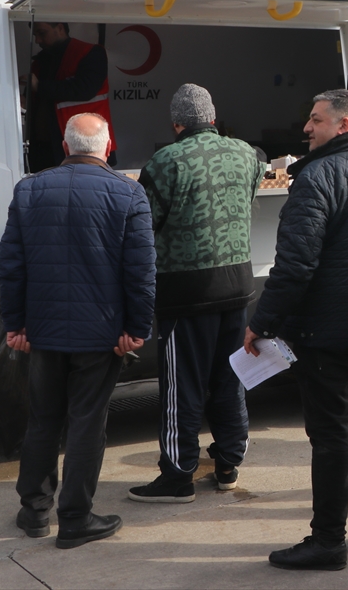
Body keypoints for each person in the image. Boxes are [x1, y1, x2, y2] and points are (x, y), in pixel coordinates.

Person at [245, 89, 348, 571]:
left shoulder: (316, 177)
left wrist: (260, 323)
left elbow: (294, 266)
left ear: (344, 125)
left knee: (331, 435)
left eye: (315, 120)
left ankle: (328, 541)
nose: (306, 129)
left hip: (325, 333)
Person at [0, 113, 155, 549]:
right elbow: (141, 273)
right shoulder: (129, 194)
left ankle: (34, 511)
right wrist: (136, 328)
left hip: (43, 332)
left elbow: (10, 265)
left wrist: (16, 324)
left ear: (66, 148)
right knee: (88, 423)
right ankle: (75, 518)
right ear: (108, 147)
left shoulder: (28, 190)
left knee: (44, 418)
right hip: (101, 334)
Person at [128, 84, 267, 503]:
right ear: (212, 117)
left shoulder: (164, 160)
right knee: (229, 380)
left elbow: (145, 221)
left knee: (181, 386)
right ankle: (228, 464)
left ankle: (177, 475)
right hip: (239, 287)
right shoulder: (247, 154)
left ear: (176, 123)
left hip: (186, 292)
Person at [25, 22, 117, 171]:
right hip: (45, 148)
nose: (37, 40)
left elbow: (85, 89)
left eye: (42, 33)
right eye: (35, 35)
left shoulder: (91, 53)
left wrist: (40, 86)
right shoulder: (40, 61)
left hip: (84, 146)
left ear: (60, 28)